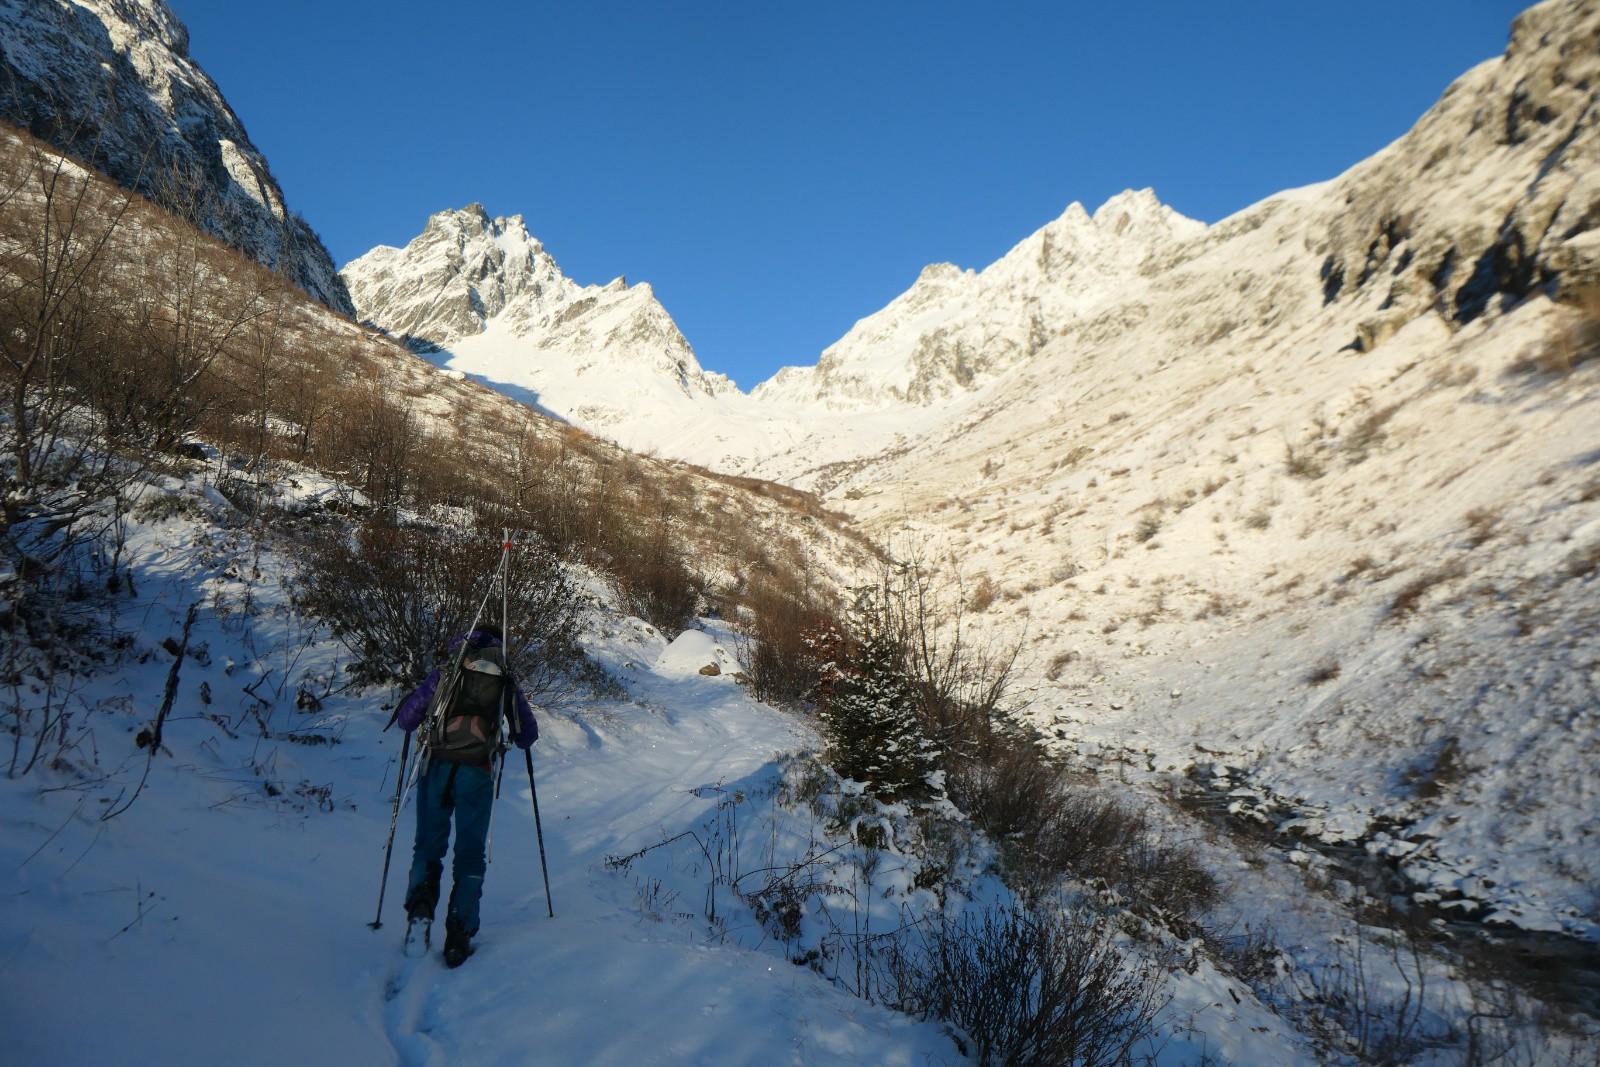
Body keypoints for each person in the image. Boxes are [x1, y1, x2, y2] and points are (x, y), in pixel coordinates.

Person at [396, 624, 538, 966]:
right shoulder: (504, 676)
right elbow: (526, 735)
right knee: (471, 852)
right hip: (478, 770)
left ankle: (420, 914)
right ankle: (459, 932)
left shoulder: (448, 669)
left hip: (436, 765)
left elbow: (406, 719)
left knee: (429, 845)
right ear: (498, 644)